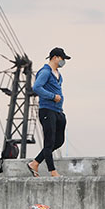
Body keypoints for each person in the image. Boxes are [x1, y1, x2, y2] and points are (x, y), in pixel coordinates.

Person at [28, 47, 70, 178]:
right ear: (55, 57)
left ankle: (35, 163)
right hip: (47, 109)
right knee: (49, 141)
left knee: (59, 141)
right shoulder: (45, 72)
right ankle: (52, 171)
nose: (64, 61)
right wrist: (52, 96)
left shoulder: (58, 74)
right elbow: (36, 87)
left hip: (58, 111)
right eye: (63, 58)